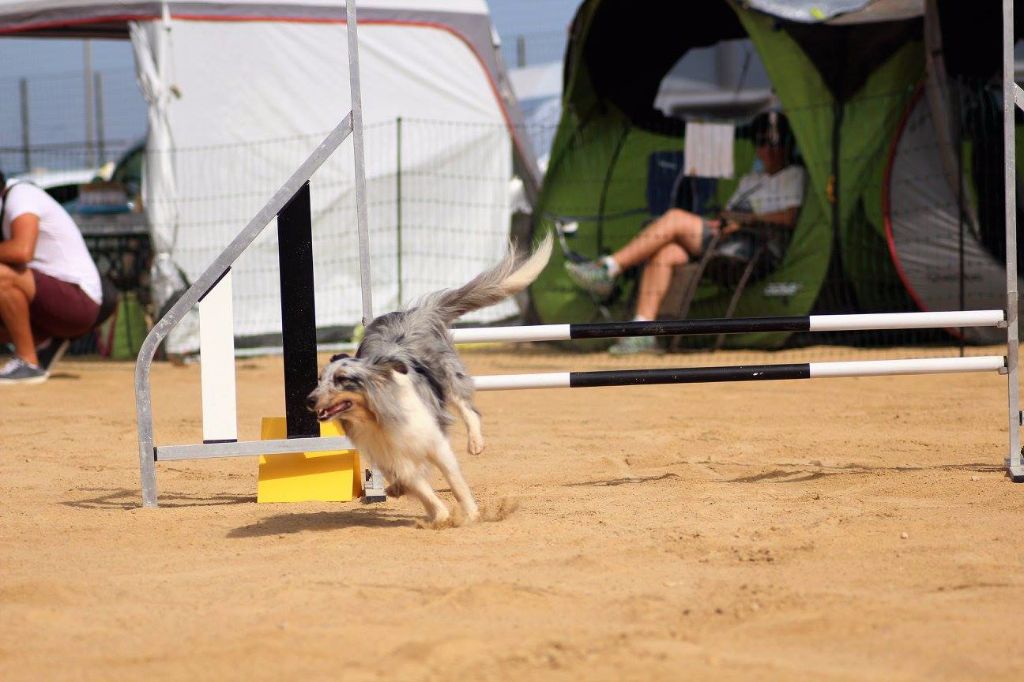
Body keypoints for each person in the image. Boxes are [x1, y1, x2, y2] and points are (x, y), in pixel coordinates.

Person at [565, 111, 807, 354]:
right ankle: (643, 331)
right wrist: (723, 221)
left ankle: (609, 268)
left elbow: (789, 217)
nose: (767, 149)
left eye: (773, 142)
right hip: (725, 237)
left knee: (674, 218)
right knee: (666, 253)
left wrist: (745, 221)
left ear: (786, 145)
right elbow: (728, 213)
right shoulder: (751, 179)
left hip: (751, 246)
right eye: (761, 142)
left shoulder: (794, 175)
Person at [0, 169, 102, 384]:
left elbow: (21, 251)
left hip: (78, 300)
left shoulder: (21, 196)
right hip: (57, 303)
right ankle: (44, 344)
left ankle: (28, 362)